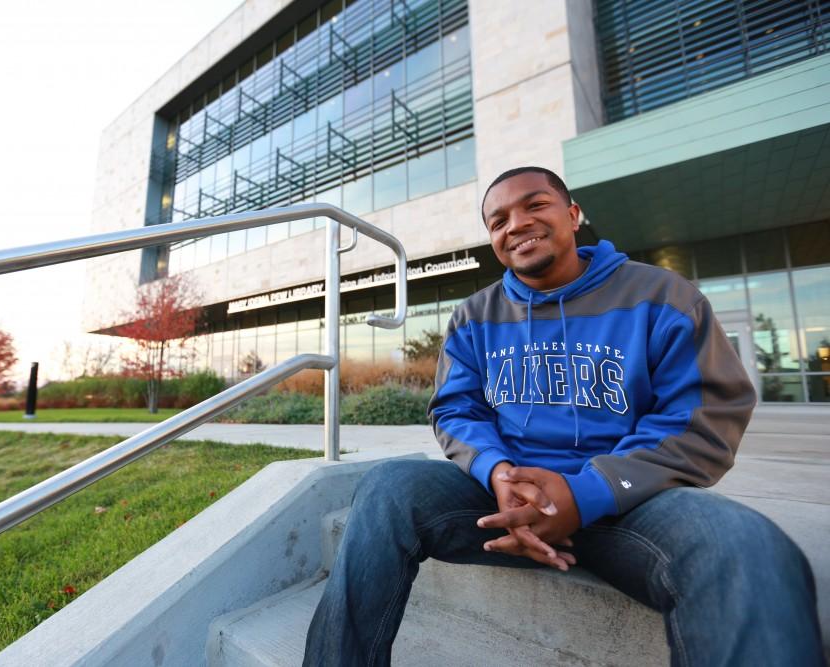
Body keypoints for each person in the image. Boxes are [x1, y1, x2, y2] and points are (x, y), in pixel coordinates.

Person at [303, 166, 824, 666]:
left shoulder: (662, 296)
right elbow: (456, 408)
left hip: (627, 505)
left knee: (745, 547)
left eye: (535, 205)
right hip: (503, 502)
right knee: (389, 485)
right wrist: (497, 471)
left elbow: (705, 418)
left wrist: (586, 493)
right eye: (498, 220)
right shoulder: (474, 317)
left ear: (574, 215)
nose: (517, 224)